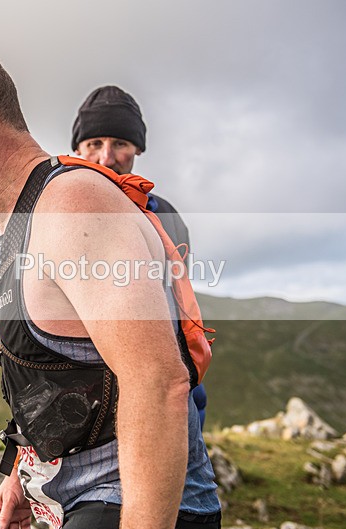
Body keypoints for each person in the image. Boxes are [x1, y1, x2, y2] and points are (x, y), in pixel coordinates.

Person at [0, 46, 221, 529]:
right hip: (80, 500)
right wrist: (24, 473)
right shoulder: (20, 221)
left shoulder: (73, 206)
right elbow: (51, 369)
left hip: (130, 501)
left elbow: (158, 381)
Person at [71, 85, 208, 431]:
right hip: (87, 408)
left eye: (119, 144)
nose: (105, 157)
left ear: (137, 149)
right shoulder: (58, 217)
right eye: (94, 144)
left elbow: (177, 310)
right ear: (77, 148)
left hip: (170, 399)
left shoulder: (169, 219)